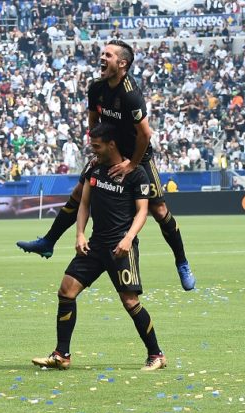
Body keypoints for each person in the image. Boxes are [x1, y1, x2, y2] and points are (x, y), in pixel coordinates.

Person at [17, 39, 196, 291]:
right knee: (80, 193)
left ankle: (182, 262)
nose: (102, 57)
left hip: (138, 155)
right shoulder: (96, 88)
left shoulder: (130, 94)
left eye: (108, 55)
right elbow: (93, 122)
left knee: (158, 210)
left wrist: (132, 164)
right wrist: (99, 151)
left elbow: (145, 135)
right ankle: (48, 241)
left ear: (122, 64)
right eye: (102, 53)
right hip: (110, 151)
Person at [32, 123, 167, 371]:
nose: (93, 151)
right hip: (94, 245)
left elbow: (142, 212)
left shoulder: (135, 173)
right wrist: (80, 234)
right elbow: (84, 204)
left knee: (130, 301)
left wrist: (128, 238)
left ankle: (156, 355)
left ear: (111, 144)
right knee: (66, 291)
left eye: (97, 146)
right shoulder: (93, 168)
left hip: (121, 248)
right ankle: (62, 355)